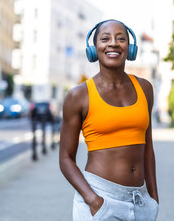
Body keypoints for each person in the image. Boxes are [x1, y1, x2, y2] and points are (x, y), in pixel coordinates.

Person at [59, 19, 159, 221]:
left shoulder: (145, 89)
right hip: (100, 200)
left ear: (129, 48)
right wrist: (93, 200)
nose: (113, 43)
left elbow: (148, 146)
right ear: (94, 48)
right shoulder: (79, 95)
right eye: (105, 38)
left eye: (121, 38)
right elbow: (65, 159)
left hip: (140, 201)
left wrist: (154, 198)